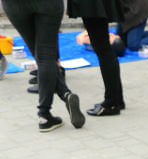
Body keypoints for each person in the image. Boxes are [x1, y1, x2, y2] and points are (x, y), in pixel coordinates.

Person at [1, 0, 85, 132]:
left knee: (40, 55)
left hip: (14, 5)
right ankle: (46, 112)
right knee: (45, 55)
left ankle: (54, 106)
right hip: (47, 4)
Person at [67, 0, 127, 117]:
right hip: (96, 5)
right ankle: (116, 100)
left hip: (93, 5)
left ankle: (111, 102)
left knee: (102, 47)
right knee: (103, 47)